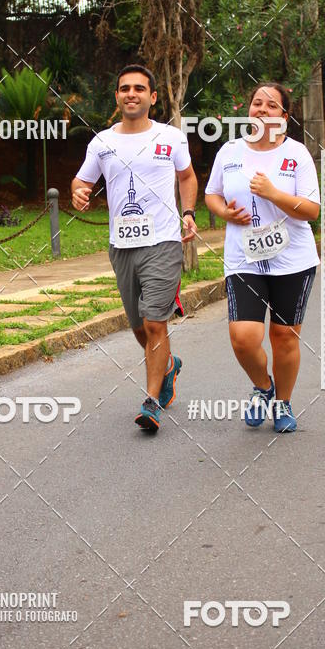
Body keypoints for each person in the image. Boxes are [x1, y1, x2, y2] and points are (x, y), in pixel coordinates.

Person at [71, 64, 198, 432]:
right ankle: (169, 365)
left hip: (162, 242)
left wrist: (188, 212)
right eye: (124, 88)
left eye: (139, 89)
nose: (131, 94)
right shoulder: (102, 142)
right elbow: (82, 179)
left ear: (152, 97)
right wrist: (78, 191)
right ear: (117, 97)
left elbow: (187, 176)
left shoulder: (170, 137)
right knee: (139, 328)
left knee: (154, 321)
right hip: (121, 245)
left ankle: (152, 401)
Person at [204, 82, 320, 433]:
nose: (261, 110)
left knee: (284, 336)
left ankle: (282, 402)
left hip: (292, 260)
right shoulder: (230, 151)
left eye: (271, 106)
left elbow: (311, 210)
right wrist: (224, 213)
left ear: (284, 116)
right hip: (244, 258)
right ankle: (263, 386)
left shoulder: (296, 154)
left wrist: (273, 193)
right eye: (257, 103)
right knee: (243, 337)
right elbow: (212, 195)